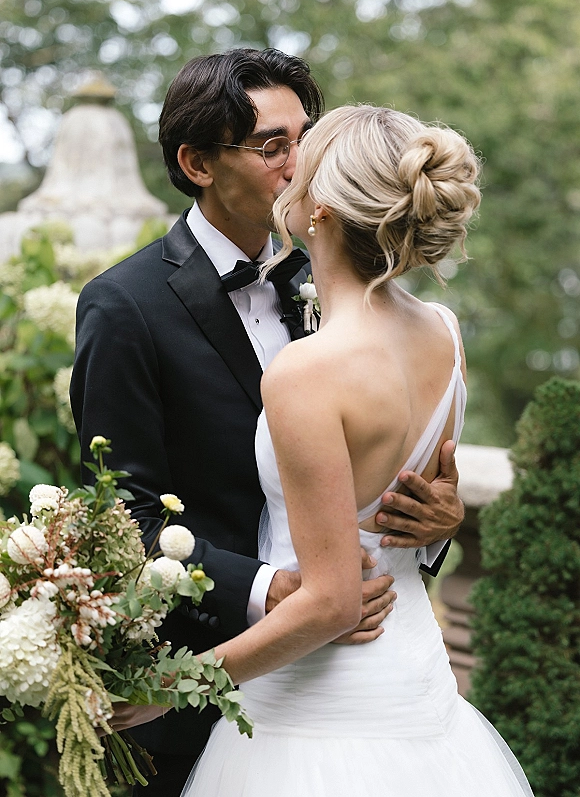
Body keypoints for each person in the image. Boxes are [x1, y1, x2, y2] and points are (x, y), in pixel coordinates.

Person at [70, 49, 464, 796]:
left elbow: (386, 464)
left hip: (360, 676)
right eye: (273, 145)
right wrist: (266, 588)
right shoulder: (125, 306)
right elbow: (124, 519)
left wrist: (439, 519)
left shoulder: (342, 284)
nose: (299, 162)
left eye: (306, 140)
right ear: (197, 163)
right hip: (205, 690)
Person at [180, 104, 534, 797]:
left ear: (322, 212)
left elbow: (333, 602)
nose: (287, 172)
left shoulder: (308, 371)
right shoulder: (443, 330)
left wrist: (175, 686)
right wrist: (446, 520)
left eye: (301, 164)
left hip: (315, 709)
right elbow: (413, 504)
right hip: (417, 686)